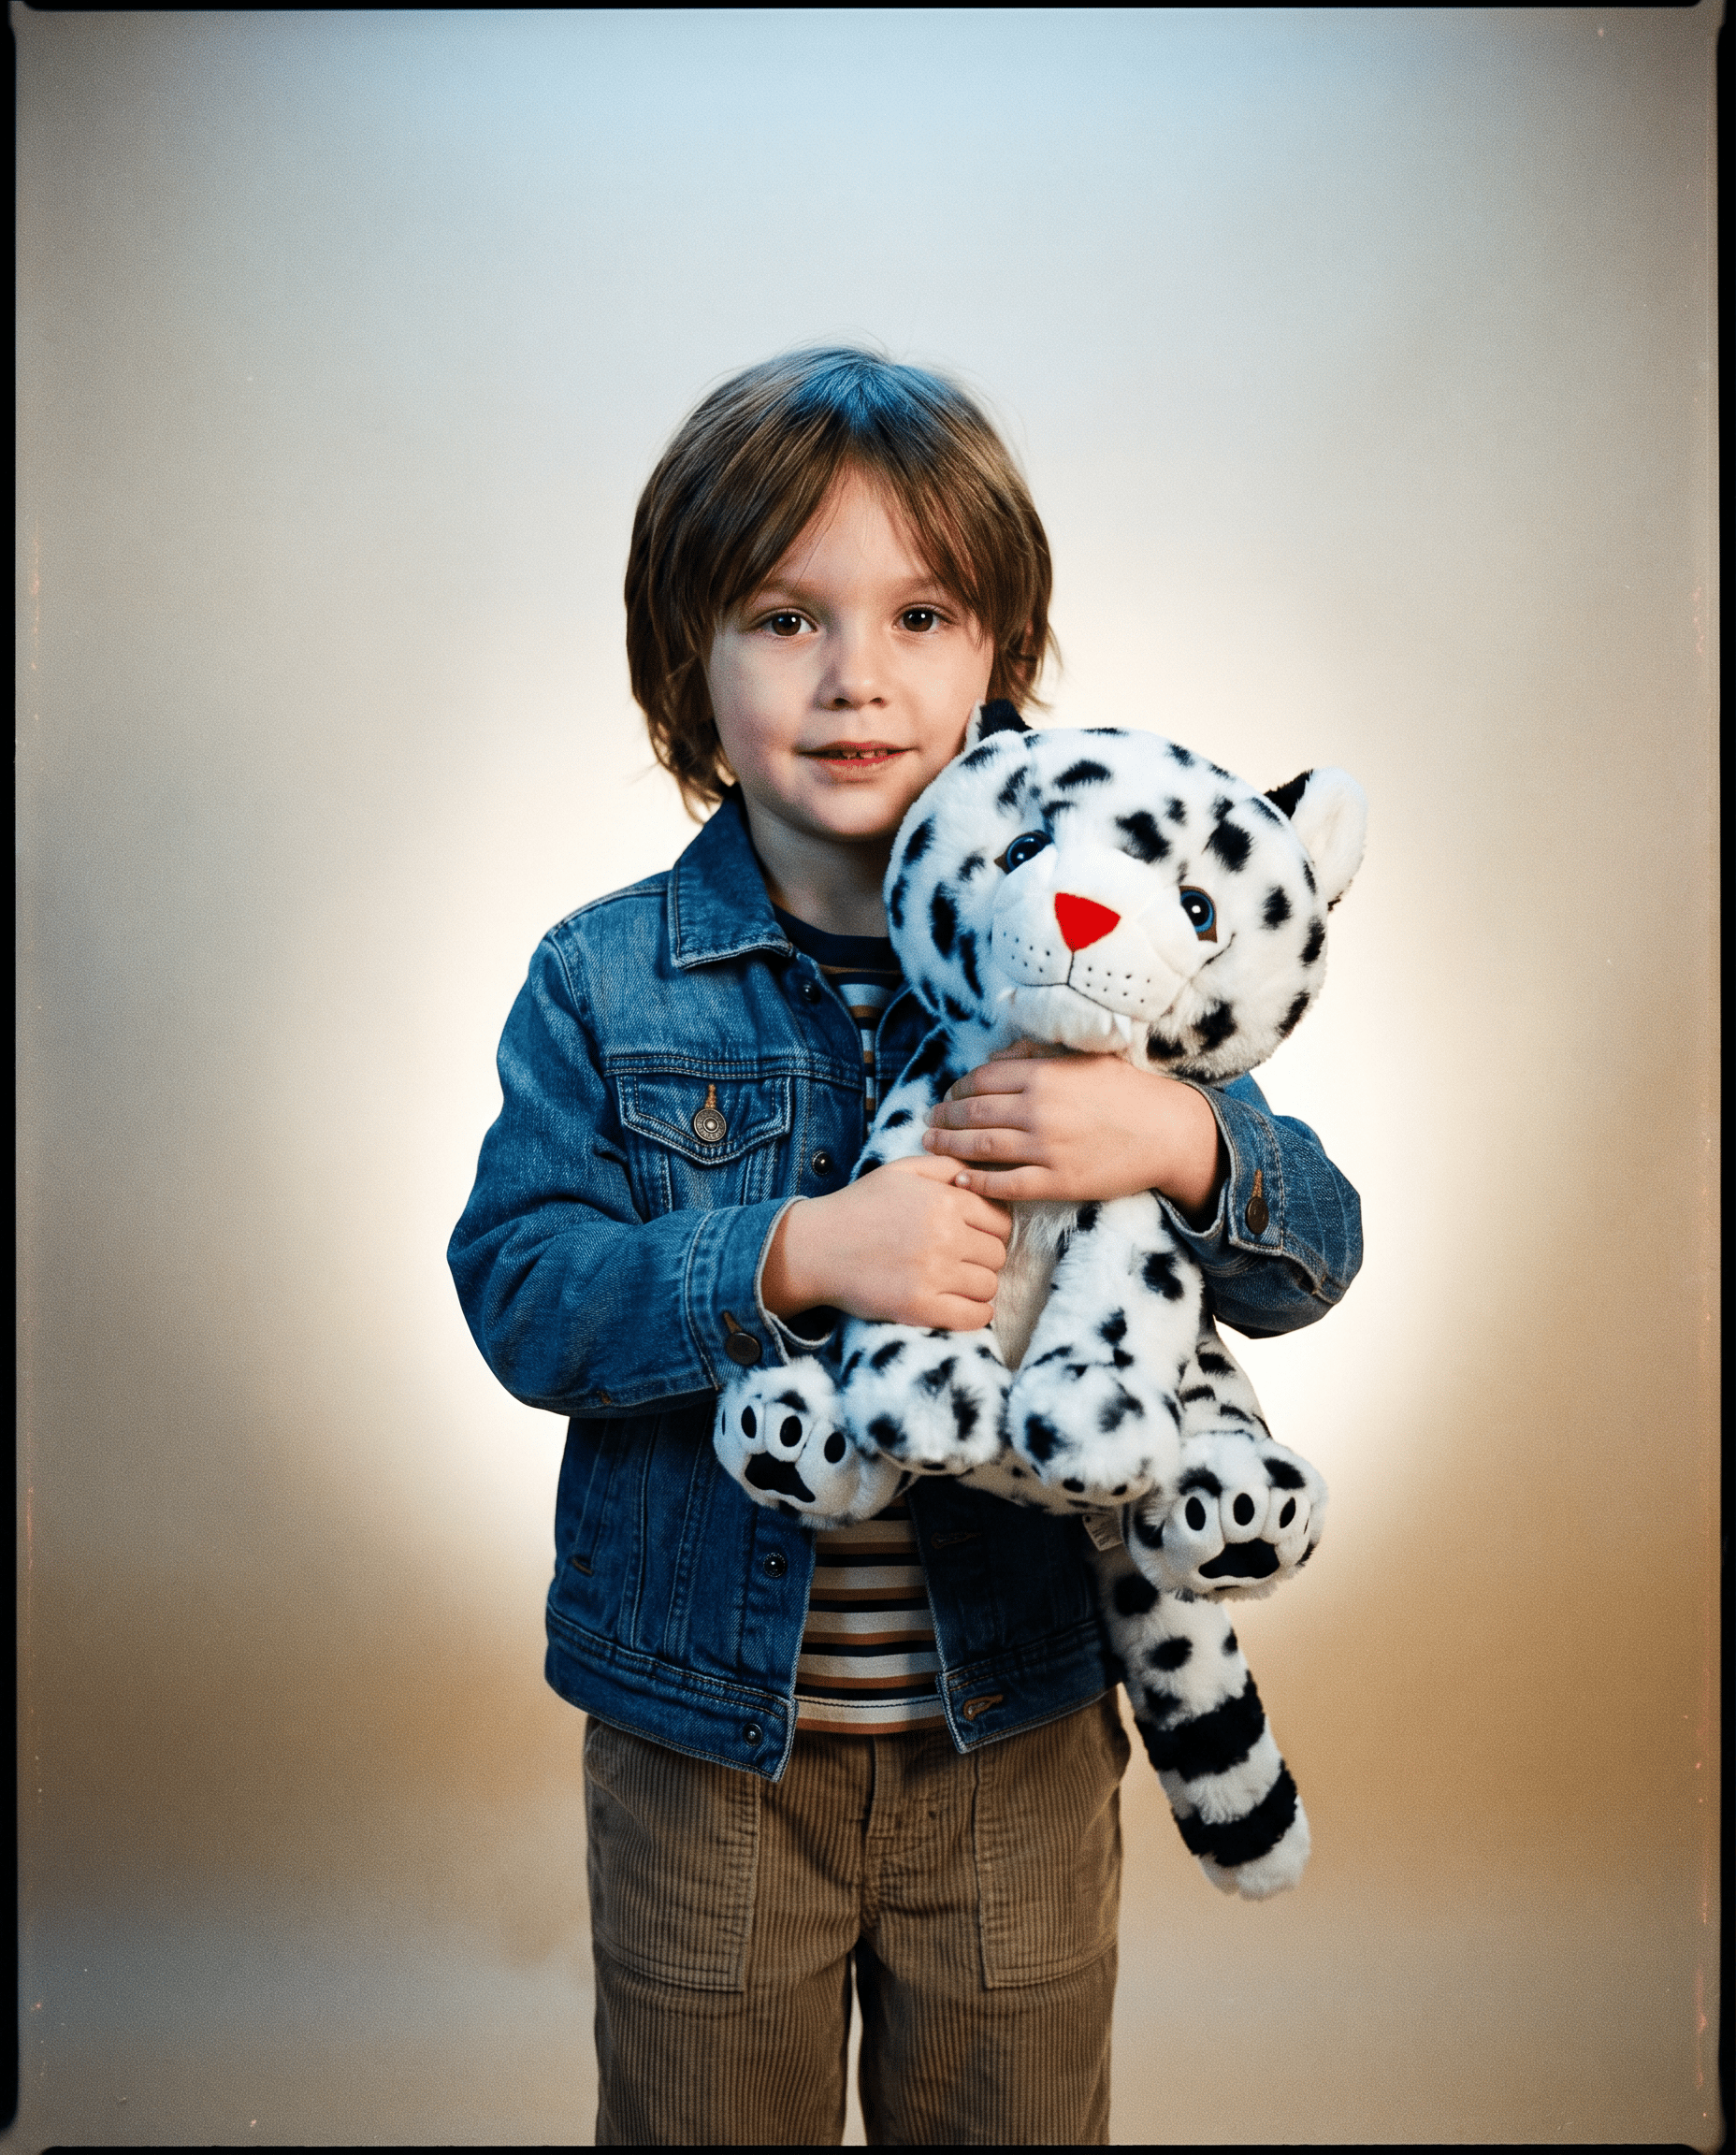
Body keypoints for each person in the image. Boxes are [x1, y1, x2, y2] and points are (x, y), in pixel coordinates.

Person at [448, 347, 1362, 2146]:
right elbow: (524, 1292)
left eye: (920, 615)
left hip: (1009, 1729)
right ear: (688, 663)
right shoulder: (604, 977)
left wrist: (1181, 1142)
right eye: (786, 618)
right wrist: (792, 1253)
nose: (856, 677)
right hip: (709, 1750)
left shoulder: (1112, 958)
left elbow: (1312, 1252)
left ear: (998, 655)